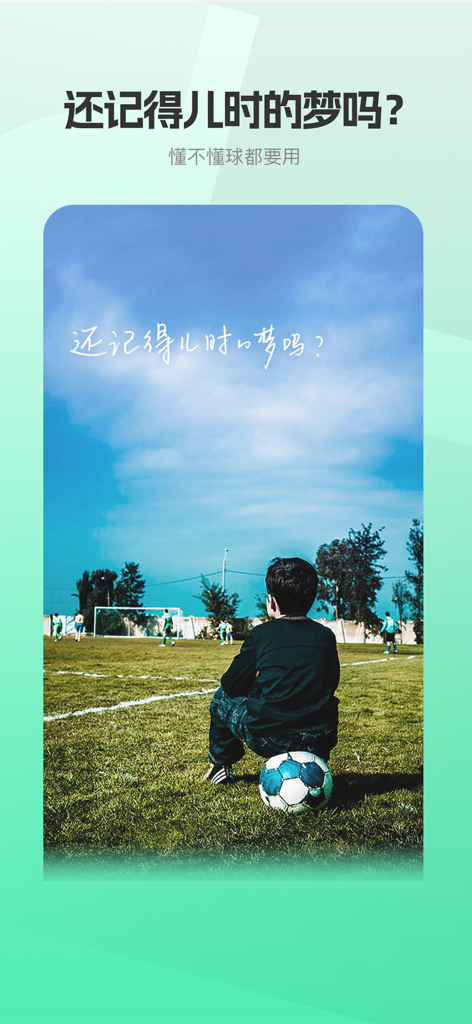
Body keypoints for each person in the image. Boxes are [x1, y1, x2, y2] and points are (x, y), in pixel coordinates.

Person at [204, 557, 339, 784]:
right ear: (312, 598)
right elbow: (330, 682)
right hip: (320, 739)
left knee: (221, 699)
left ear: (271, 601)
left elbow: (230, 684)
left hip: (272, 738)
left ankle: (221, 764)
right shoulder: (326, 635)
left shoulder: (261, 634)